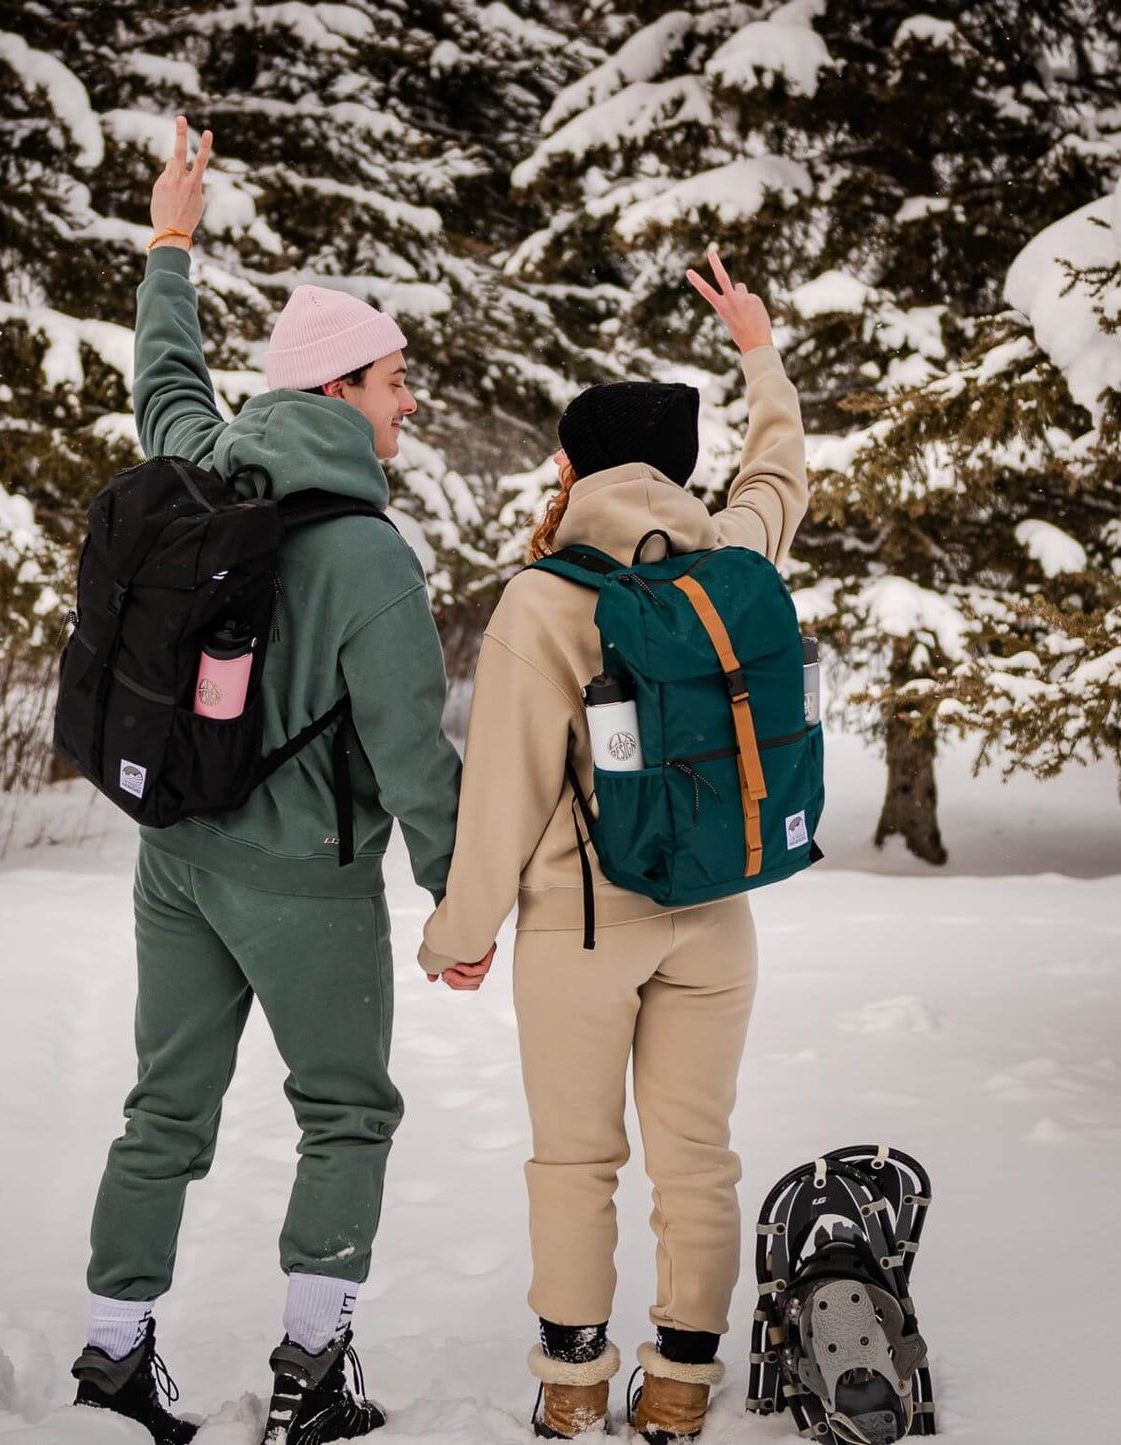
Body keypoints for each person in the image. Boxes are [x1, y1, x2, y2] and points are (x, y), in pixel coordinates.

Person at [70, 118, 462, 1445]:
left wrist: (169, 240)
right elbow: (413, 755)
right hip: (307, 886)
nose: (410, 401)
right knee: (345, 1111)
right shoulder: (368, 557)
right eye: (397, 380)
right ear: (343, 388)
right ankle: (312, 1368)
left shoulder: (203, 467)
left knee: (162, 1106)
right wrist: (459, 902)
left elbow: (165, 377)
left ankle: (113, 1355)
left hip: (176, 857)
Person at [419, 251, 807, 1442]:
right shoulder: (732, 561)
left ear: (572, 467)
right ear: (679, 470)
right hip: (716, 909)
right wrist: (756, 344)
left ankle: (574, 1380)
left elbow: (505, 788)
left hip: (584, 924)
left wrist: (458, 931)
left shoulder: (545, 597)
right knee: (696, 1150)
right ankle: (683, 1377)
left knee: (573, 1156)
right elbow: (780, 471)